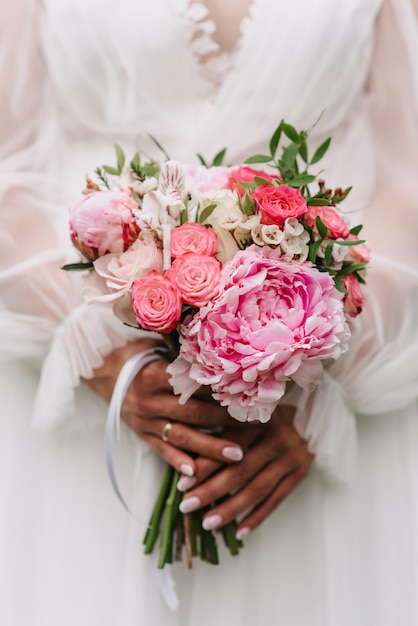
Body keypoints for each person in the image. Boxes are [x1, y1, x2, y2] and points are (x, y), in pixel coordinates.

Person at [1, 0, 418, 624]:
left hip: (312, 387)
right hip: (83, 402)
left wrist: (315, 360)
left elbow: (406, 180)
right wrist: (96, 345)